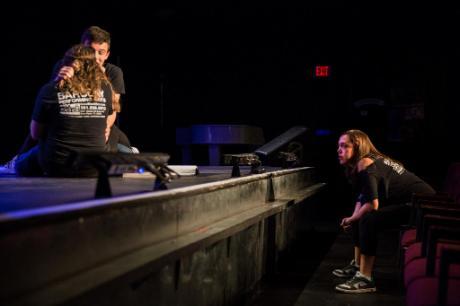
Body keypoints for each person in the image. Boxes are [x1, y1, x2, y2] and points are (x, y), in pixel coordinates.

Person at [0, 26, 135, 174]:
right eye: (90, 51)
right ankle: (19, 158)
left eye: (100, 53)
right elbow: (51, 105)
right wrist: (61, 79)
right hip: (68, 120)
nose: (95, 57)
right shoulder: (63, 67)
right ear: (81, 50)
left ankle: (130, 153)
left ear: (107, 54)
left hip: (98, 119)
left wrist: (105, 127)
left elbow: (112, 108)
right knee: (43, 125)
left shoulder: (113, 72)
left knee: (116, 137)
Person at [333, 129, 435, 293]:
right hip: (415, 204)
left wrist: (354, 219)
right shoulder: (368, 161)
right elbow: (362, 198)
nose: (339, 150)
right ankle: (358, 265)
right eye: (338, 146)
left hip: (425, 208)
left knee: (368, 219)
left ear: (358, 147)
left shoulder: (365, 163)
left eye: (344, 146)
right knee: (361, 217)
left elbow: (373, 205)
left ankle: (365, 278)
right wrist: (353, 217)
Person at [14, 44, 113, 177]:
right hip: (94, 167)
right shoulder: (106, 89)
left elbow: (35, 133)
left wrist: (56, 82)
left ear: (65, 65)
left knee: (20, 164)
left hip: (57, 166)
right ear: (94, 66)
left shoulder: (50, 89)